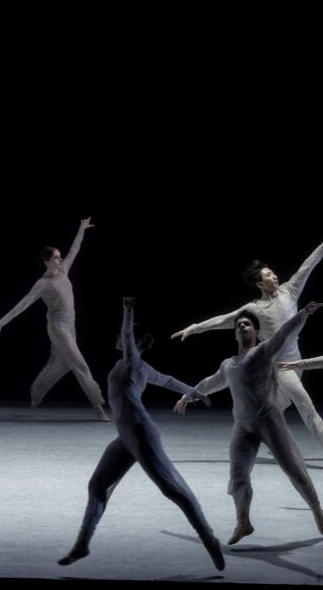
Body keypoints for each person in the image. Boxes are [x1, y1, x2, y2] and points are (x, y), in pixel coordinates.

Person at [59, 298, 223, 570]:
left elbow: (127, 336)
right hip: (126, 437)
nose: (118, 337)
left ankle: (209, 538)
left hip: (142, 434)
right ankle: (82, 544)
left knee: (175, 491)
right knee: (97, 487)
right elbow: (169, 380)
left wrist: (128, 311)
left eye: (125, 337)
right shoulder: (141, 368)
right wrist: (195, 393)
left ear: (134, 343)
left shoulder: (133, 361)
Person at [174, 303, 323, 544]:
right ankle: (243, 521)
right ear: (235, 333)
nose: (242, 326)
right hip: (243, 426)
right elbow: (210, 382)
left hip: (269, 421)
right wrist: (187, 396)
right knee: (238, 476)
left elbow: (285, 332)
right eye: (239, 325)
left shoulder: (264, 352)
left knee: (293, 470)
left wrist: (304, 314)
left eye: (247, 324)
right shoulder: (228, 364)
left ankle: (317, 510)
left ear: (256, 331)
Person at [172, 242, 323, 444]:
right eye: (268, 275)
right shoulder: (254, 309)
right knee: (306, 406)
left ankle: (252, 434)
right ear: (260, 284)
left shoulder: (290, 291)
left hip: (297, 363)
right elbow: (223, 319)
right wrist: (195, 327)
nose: (274, 276)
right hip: (279, 368)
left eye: (273, 272)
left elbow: (309, 264)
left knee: (272, 409)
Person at [0, 218, 108, 420]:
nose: (60, 260)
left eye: (60, 257)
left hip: (70, 325)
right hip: (58, 327)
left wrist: (81, 228)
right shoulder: (43, 284)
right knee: (79, 365)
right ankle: (98, 406)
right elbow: (23, 304)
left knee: (60, 365)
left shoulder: (64, 270)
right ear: (47, 262)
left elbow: (75, 249)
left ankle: (35, 396)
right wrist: (0, 323)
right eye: (57, 258)